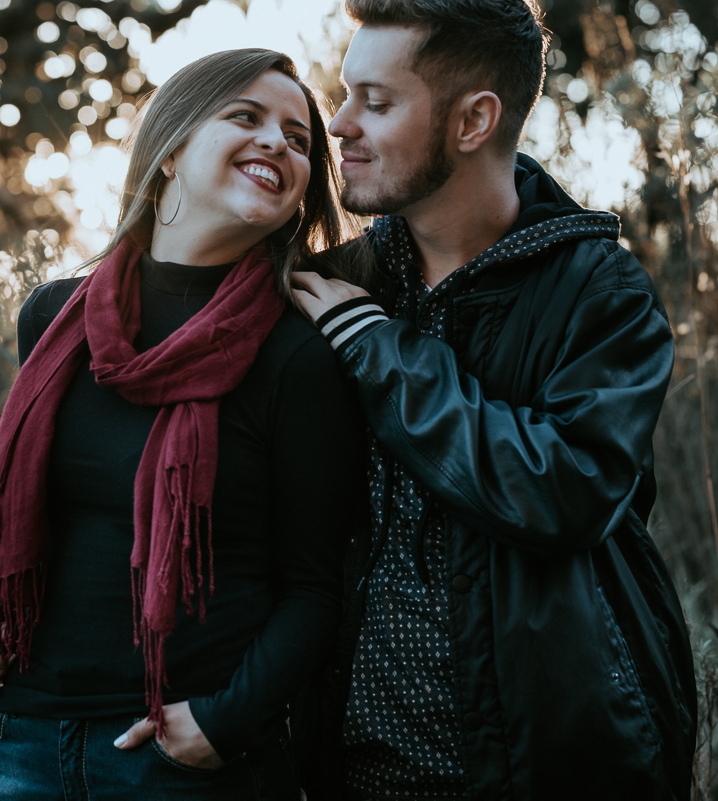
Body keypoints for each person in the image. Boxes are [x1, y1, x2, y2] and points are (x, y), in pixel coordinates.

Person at [0, 49, 367, 799]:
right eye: (246, 117)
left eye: (298, 138)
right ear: (170, 149)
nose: (279, 144)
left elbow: (316, 584)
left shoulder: (297, 352)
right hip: (27, 742)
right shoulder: (55, 316)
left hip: (182, 761)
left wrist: (227, 722)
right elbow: (54, 518)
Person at [287, 1, 697, 799]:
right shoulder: (338, 286)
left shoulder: (599, 293)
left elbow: (565, 489)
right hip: (349, 772)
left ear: (474, 120)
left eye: (376, 101)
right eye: (345, 95)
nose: (338, 124)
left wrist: (377, 349)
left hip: (553, 765)